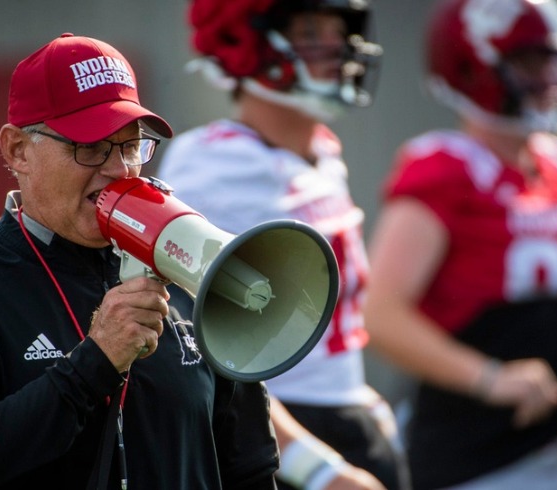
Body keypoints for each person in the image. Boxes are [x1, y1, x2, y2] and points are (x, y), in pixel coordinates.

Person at [0, 33, 280, 489]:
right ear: (18, 150)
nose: (119, 170)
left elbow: (249, 465)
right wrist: (94, 363)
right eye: (90, 147)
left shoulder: (186, 267)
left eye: (131, 147)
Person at [361, 0, 557, 488]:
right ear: (472, 66)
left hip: (553, 445)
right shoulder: (446, 170)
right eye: (530, 62)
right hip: (470, 456)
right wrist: (489, 377)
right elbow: (380, 314)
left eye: (554, 59)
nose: (550, 75)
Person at [159, 1, 410, 489]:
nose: (337, 50)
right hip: (277, 434)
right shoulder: (213, 163)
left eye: (340, 33)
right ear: (244, 42)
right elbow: (197, 349)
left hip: (343, 419)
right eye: (312, 30)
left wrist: (355, 399)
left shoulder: (322, 154)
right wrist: (316, 469)